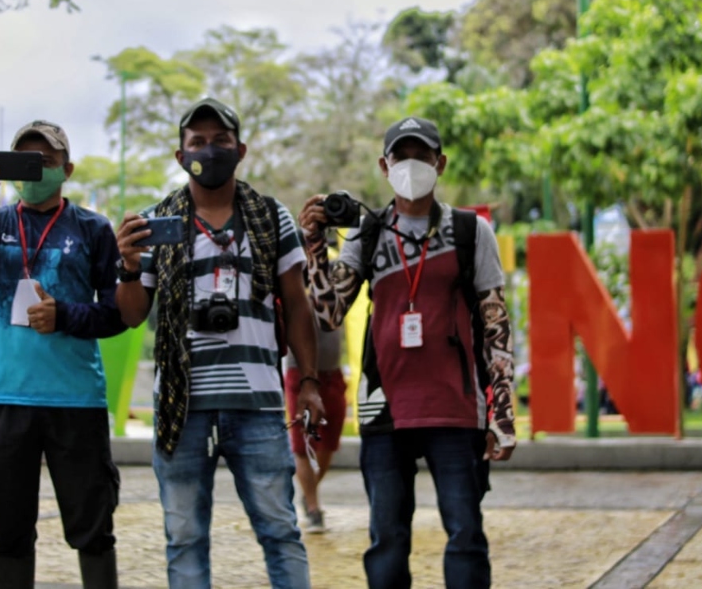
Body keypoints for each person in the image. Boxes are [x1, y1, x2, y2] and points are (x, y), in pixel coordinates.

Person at [297, 116, 517, 589]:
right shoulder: (367, 233)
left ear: (440, 163)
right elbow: (328, 313)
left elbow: (496, 324)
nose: (411, 164)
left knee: (465, 535)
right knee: (387, 540)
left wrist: (502, 410)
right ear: (384, 164)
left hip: (457, 410)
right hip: (385, 411)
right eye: (402, 156)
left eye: (422, 155)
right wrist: (315, 246)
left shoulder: (470, 231)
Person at [115, 97, 325, 589]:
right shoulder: (155, 224)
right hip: (180, 409)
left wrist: (309, 381)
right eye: (198, 143)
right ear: (180, 155)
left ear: (241, 149)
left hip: (257, 407)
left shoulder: (272, 218)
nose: (209, 151)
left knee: (280, 531)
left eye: (221, 142)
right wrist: (126, 264)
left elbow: (297, 306)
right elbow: (131, 315)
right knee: (185, 537)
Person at [0, 119, 126, 589]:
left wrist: (64, 316)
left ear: (68, 168)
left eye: (46, 161)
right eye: (24, 161)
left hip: (76, 401)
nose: (36, 170)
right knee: (8, 531)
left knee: (94, 530)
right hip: (6, 400)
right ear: (7, 169)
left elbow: (117, 315)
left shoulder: (93, 229)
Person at [283, 245, 347, 535]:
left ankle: (308, 492)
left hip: (333, 375)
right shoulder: (293, 289)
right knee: (302, 442)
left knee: (329, 443)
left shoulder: (337, 288)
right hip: (300, 376)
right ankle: (312, 506)